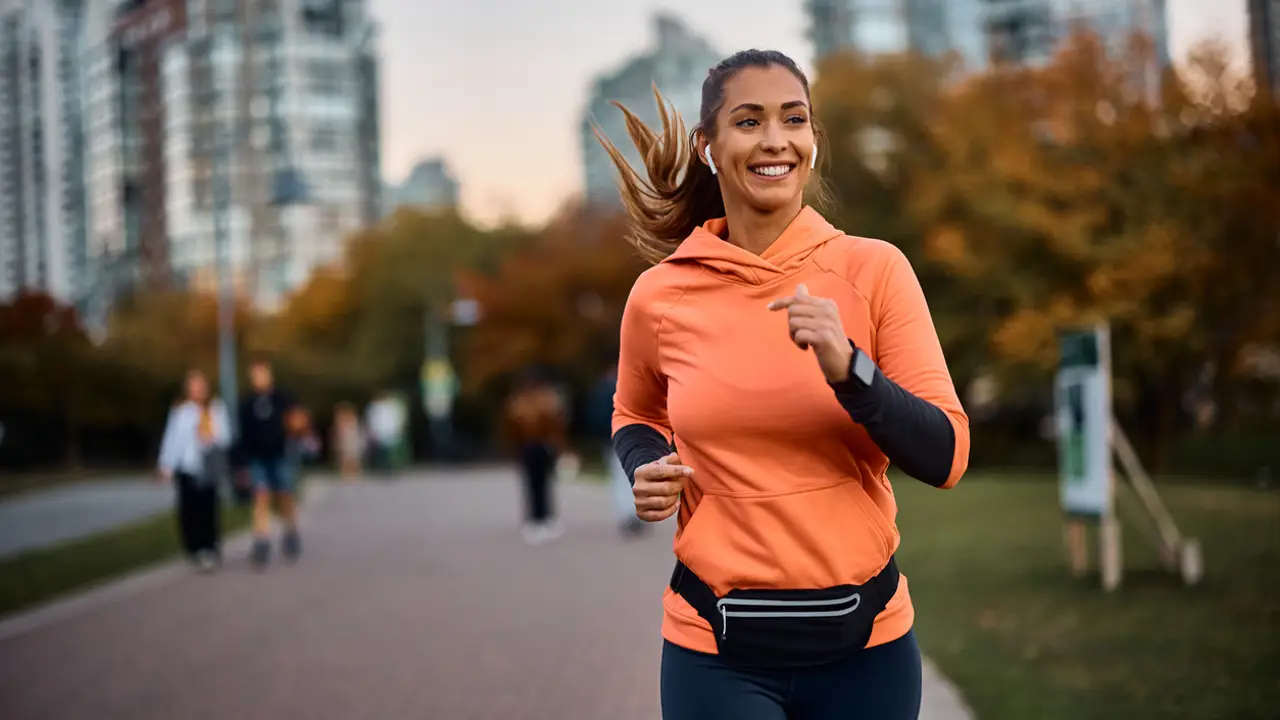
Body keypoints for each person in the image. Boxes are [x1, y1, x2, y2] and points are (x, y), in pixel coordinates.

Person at [596, 49, 970, 719]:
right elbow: (635, 413)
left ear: (813, 143)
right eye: (749, 121)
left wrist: (850, 370)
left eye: (793, 119)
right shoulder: (660, 296)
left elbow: (945, 456)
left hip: (866, 649)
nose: (775, 139)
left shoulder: (875, 271)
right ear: (709, 146)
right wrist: (646, 462)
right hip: (714, 648)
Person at [157, 369, 232, 572]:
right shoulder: (181, 410)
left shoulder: (216, 408)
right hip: (187, 467)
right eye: (193, 386)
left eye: (200, 386)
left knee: (208, 509)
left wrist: (211, 433)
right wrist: (166, 464)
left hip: (208, 467)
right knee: (189, 510)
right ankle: (194, 548)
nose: (197, 390)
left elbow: (226, 437)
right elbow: (172, 439)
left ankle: (210, 548)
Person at [236, 357, 305, 569]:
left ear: (269, 375)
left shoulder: (283, 399)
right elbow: (242, 436)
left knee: (285, 495)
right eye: (255, 375)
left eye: (262, 374)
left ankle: (291, 532)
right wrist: (241, 464)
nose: (259, 379)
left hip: (280, 454)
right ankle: (261, 540)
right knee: (261, 496)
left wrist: (297, 428)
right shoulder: (247, 404)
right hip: (257, 457)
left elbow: (297, 422)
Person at [501, 368, 568, 545]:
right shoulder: (545, 400)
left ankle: (539, 518)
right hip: (537, 446)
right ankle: (540, 518)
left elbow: (512, 428)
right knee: (539, 484)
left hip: (532, 446)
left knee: (536, 484)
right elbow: (556, 423)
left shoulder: (519, 403)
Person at [588, 363, 647, 537]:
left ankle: (626, 512)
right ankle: (638, 512)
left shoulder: (602, 390)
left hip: (612, 438)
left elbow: (595, 416)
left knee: (619, 476)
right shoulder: (634, 387)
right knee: (635, 475)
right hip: (633, 436)